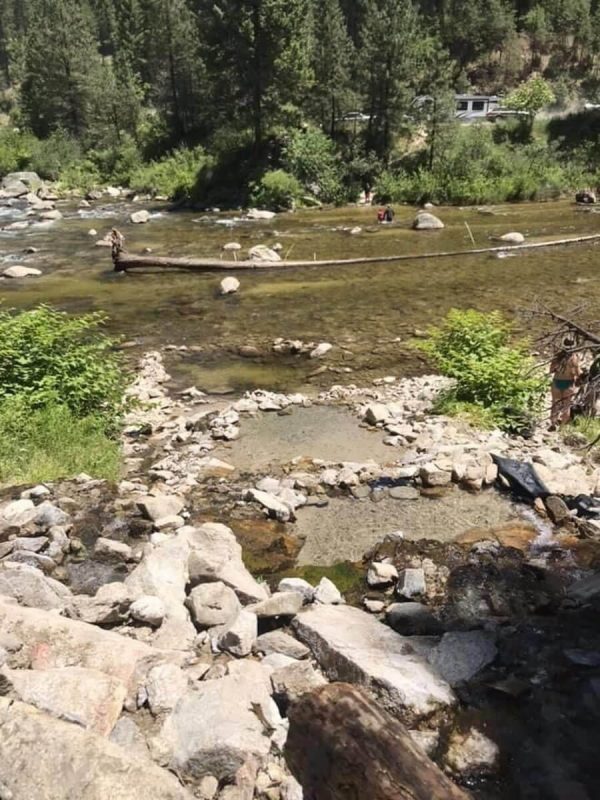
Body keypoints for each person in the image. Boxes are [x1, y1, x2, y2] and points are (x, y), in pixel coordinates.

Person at [550, 337, 582, 428]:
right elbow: (578, 372)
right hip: (569, 383)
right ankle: (562, 427)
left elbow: (551, 370)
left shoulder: (557, 356)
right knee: (566, 406)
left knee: (555, 404)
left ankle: (553, 423)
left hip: (557, 382)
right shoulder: (574, 358)